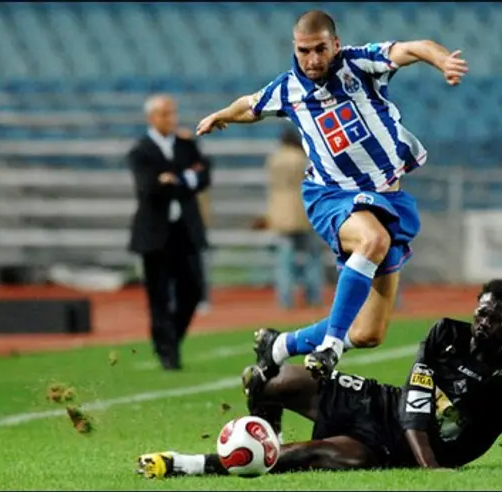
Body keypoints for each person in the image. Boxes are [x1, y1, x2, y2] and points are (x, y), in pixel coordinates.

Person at [195, 10, 469, 383]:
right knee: (373, 239)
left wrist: (442, 61)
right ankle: (330, 347)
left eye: (319, 49)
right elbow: (250, 105)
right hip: (331, 196)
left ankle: (279, 346)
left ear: (335, 44)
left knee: (368, 333)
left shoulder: (360, 64)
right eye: (304, 50)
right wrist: (221, 115)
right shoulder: (289, 88)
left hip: (387, 196)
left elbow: (413, 48)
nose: (312, 59)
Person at [135, 279, 502, 477]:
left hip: (385, 447)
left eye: (497, 319)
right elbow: (417, 405)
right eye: (482, 312)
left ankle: (186, 464)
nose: (485, 323)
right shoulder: (445, 332)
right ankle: (260, 432)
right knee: (267, 382)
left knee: (303, 455)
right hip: (381, 403)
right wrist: (433, 470)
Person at [128, 94, 211, 370]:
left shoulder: (187, 145)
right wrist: (184, 178)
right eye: (164, 114)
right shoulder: (140, 150)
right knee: (159, 295)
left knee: (193, 290)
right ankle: (167, 352)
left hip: (185, 231)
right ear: (151, 118)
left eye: (172, 113)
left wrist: (173, 179)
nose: (170, 119)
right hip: (155, 233)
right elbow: (149, 188)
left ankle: (170, 338)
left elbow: (204, 177)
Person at [267, 127, 324, 308]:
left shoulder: (274, 159)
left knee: (284, 260)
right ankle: (313, 296)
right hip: (302, 210)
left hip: (280, 212)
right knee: (312, 257)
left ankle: (285, 299)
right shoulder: (301, 159)